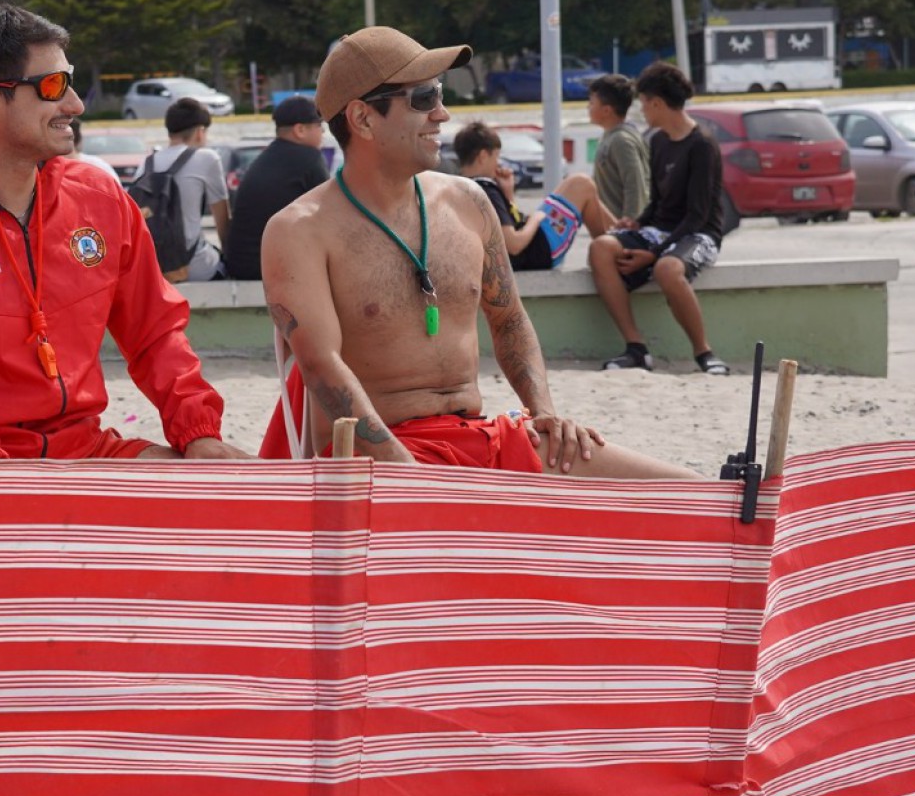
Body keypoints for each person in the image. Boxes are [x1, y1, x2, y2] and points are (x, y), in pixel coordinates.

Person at [259, 24, 692, 479]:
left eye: (440, 95)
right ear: (363, 118)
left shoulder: (468, 201)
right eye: (423, 98)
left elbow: (509, 320)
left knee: (691, 495)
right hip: (376, 458)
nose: (442, 115)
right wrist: (410, 476)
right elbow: (320, 366)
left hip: (481, 439)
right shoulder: (299, 230)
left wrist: (543, 411)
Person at [0, 3, 249, 462]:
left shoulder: (99, 197)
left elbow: (156, 333)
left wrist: (198, 431)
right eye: (54, 86)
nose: (75, 105)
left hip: (85, 449)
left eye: (69, 81)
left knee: (226, 490)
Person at [586, 61, 731, 375]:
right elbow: (658, 202)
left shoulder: (702, 145)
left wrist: (651, 255)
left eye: (644, 105)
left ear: (657, 103)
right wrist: (637, 222)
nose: (642, 112)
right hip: (661, 231)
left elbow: (697, 215)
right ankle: (636, 348)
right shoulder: (659, 141)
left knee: (667, 268)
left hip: (699, 233)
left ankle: (704, 352)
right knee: (601, 248)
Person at [452, 121, 615, 272]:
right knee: (582, 184)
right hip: (538, 251)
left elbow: (505, 226)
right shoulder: (487, 190)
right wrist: (535, 220)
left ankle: (618, 235)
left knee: (578, 186)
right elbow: (513, 245)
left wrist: (508, 193)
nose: (498, 163)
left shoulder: (459, 187)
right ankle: (613, 249)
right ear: (483, 156)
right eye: (496, 156)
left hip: (528, 251)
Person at [222, 94, 329, 282]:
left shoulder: (268, 156)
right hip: (269, 268)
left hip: (242, 265)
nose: (323, 133)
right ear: (300, 130)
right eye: (320, 126)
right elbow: (330, 213)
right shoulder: (308, 158)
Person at [134, 96, 229, 282]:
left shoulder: (146, 164)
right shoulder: (207, 158)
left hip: (153, 269)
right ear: (200, 132)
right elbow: (222, 221)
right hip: (195, 267)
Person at [588, 74, 649, 223]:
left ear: (607, 110)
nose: (588, 108)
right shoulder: (610, 137)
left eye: (591, 103)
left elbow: (634, 184)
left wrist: (629, 222)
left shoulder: (621, 140)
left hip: (621, 230)